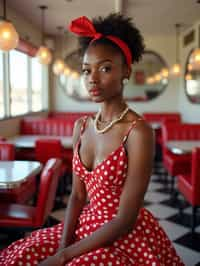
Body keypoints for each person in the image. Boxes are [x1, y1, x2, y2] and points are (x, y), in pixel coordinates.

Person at [0, 14, 184, 266]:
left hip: (122, 236)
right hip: (84, 226)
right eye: (87, 70)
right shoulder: (82, 127)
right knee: (20, 255)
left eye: (105, 68)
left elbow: (125, 220)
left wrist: (64, 257)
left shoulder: (139, 132)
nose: (92, 79)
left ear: (126, 71)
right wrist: (62, 247)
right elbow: (76, 196)